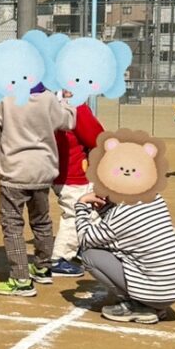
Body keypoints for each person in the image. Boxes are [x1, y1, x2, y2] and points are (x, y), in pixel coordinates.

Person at [0, 85, 77, 297]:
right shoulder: (48, 98)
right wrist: (66, 101)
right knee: (42, 221)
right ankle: (42, 267)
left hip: (14, 172)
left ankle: (20, 279)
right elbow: (68, 122)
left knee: (12, 225)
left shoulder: (5, 99)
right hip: (42, 171)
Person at [74, 187, 175, 325]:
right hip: (173, 289)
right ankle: (153, 305)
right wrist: (106, 207)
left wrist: (81, 204)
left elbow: (85, 239)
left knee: (90, 255)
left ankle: (139, 306)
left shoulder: (120, 215)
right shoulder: (154, 198)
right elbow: (116, 228)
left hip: (159, 292)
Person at [51, 100, 105, 276]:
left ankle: (84, 247)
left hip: (58, 169)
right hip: (73, 172)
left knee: (88, 212)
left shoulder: (48, 103)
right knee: (74, 213)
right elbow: (96, 138)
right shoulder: (76, 106)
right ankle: (59, 258)